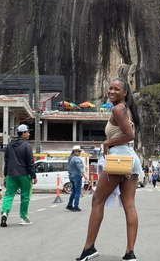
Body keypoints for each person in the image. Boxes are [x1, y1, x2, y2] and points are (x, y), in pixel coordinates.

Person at [76, 78, 143, 261]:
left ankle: (89, 248)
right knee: (129, 205)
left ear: (125, 93)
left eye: (117, 89)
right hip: (131, 157)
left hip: (118, 158)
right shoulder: (127, 109)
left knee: (97, 200)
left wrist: (107, 142)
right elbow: (130, 136)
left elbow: (128, 135)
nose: (112, 91)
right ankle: (130, 253)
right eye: (110, 88)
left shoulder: (117, 109)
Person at [0, 124, 36, 227]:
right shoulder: (27, 146)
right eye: (28, 132)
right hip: (24, 174)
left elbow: (6, 161)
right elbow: (30, 162)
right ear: (23, 133)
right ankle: (23, 218)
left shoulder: (10, 145)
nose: (29, 134)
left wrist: (5, 174)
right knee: (25, 196)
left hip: (11, 174)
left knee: (8, 195)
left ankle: (4, 213)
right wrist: (33, 175)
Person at [67, 146, 86, 212]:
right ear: (75, 151)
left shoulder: (70, 158)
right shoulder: (76, 158)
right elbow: (80, 167)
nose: (80, 152)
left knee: (74, 191)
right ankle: (76, 206)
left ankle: (69, 205)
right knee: (78, 191)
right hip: (77, 176)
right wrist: (84, 174)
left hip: (71, 176)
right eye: (79, 151)